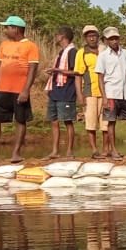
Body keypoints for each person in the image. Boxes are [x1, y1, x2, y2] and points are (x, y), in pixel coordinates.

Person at [0, 16, 39, 164]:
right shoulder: (4, 45)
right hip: (2, 88)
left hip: (19, 89)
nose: (5, 30)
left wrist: (26, 90)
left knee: (20, 120)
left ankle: (16, 153)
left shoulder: (30, 46)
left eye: (8, 27)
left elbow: (32, 70)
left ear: (16, 29)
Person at [94, 26, 126, 159]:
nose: (114, 41)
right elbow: (100, 77)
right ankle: (113, 150)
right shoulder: (103, 56)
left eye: (116, 38)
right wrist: (104, 97)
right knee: (111, 121)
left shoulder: (125, 53)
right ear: (106, 40)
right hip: (111, 93)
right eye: (111, 39)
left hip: (125, 92)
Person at [43, 26, 79, 159]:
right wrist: (54, 71)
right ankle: (54, 151)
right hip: (56, 89)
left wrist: (57, 70)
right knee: (54, 120)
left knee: (67, 121)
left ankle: (69, 151)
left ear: (63, 36)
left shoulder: (72, 52)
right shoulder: (60, 52)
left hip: (67, 90)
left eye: (57, 35)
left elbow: (76, 71)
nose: (56, 37)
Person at [71, 25, 105, 158]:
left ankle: (106, 149)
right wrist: (79, 94)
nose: (92, 38)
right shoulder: (81, 53)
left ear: (98, 37)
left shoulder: (104, 51)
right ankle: (94, 150)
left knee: (106, 123)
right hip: (89, 91)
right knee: (91, 123)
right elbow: (78, 74)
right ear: (85, 38)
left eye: (94, 35)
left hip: (105, 92)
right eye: (89, 36)